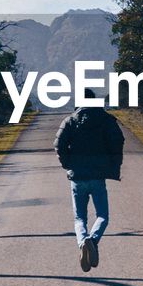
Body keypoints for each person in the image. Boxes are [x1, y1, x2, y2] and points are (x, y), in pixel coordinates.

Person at [54, 90, 124, 272]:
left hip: (77, 176)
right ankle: (92, 240)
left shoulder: (70, 120)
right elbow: (118, 142)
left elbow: (58, 145)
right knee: (102, 216)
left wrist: (68, 163)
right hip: (98, 175)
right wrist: (113, 165)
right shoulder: (106, 120)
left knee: (79, 218)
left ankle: (83, 242)